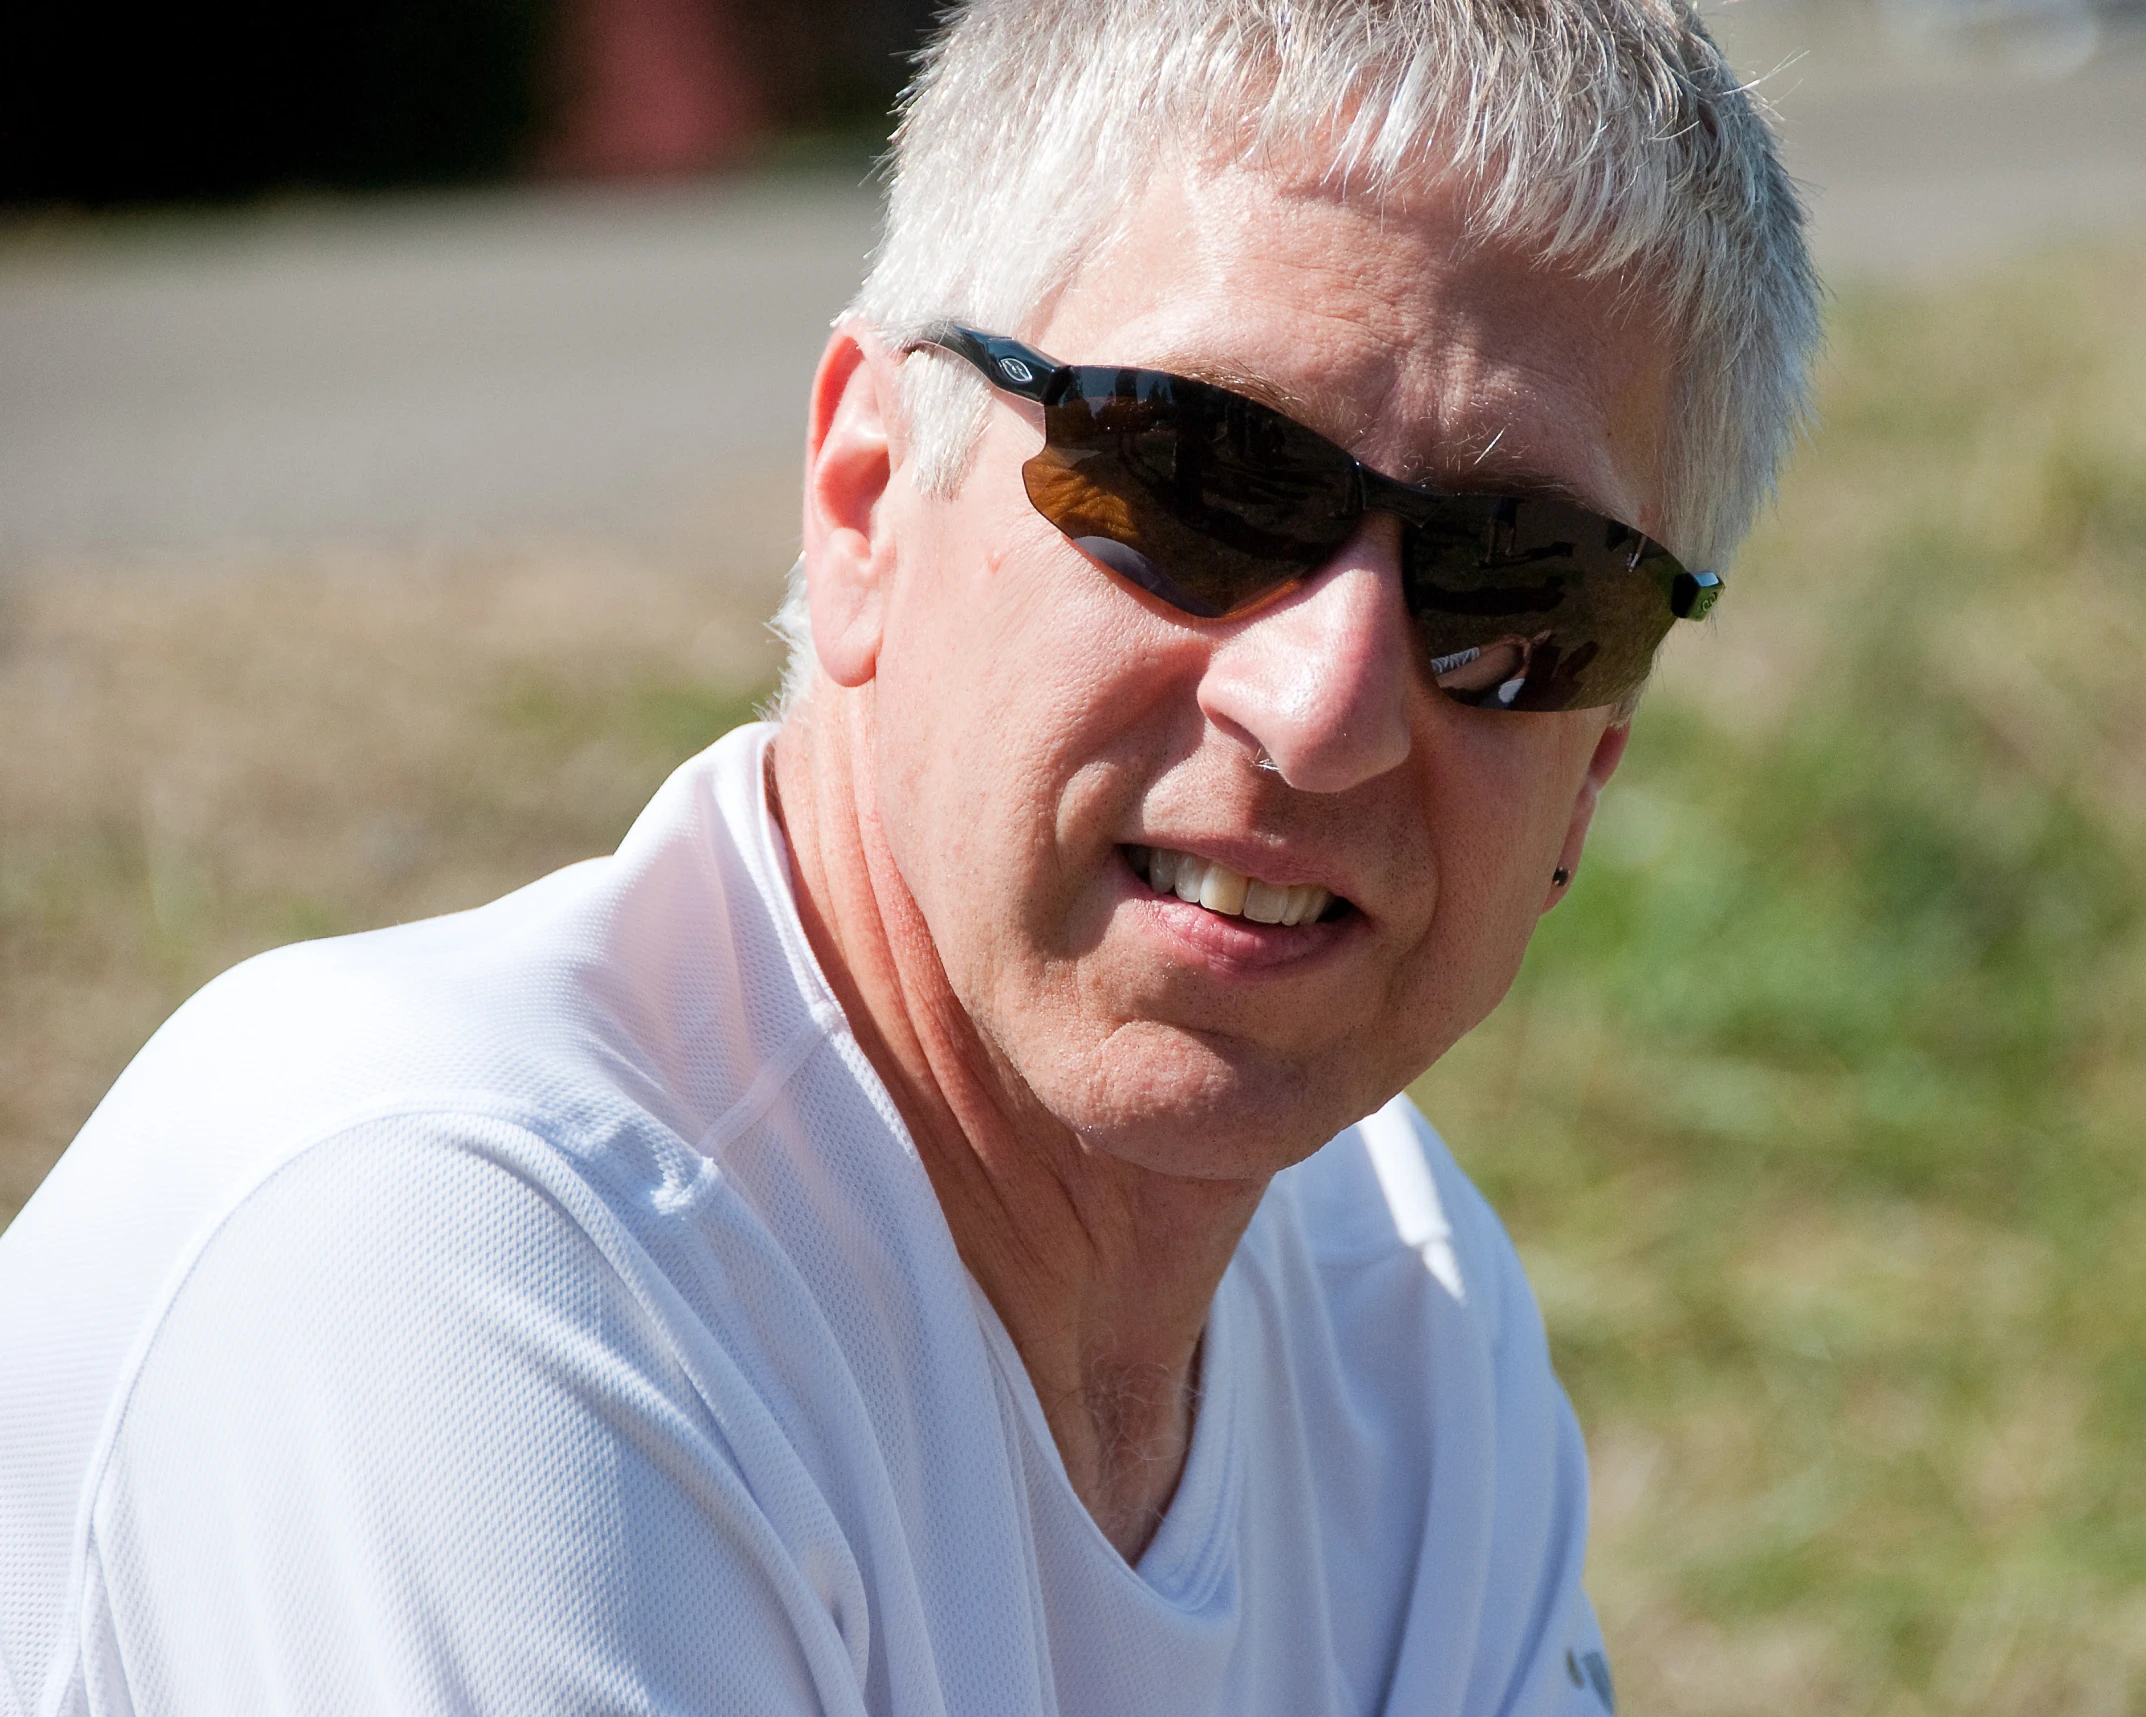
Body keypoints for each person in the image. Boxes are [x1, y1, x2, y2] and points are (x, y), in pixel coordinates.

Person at [0, 2, 1818, 1712]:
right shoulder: (459, 1255)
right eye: (1198, 479)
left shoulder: (1401, 1300)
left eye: (1521, 590)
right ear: (869, 495)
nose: (1325, 704)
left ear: (1589, 770)